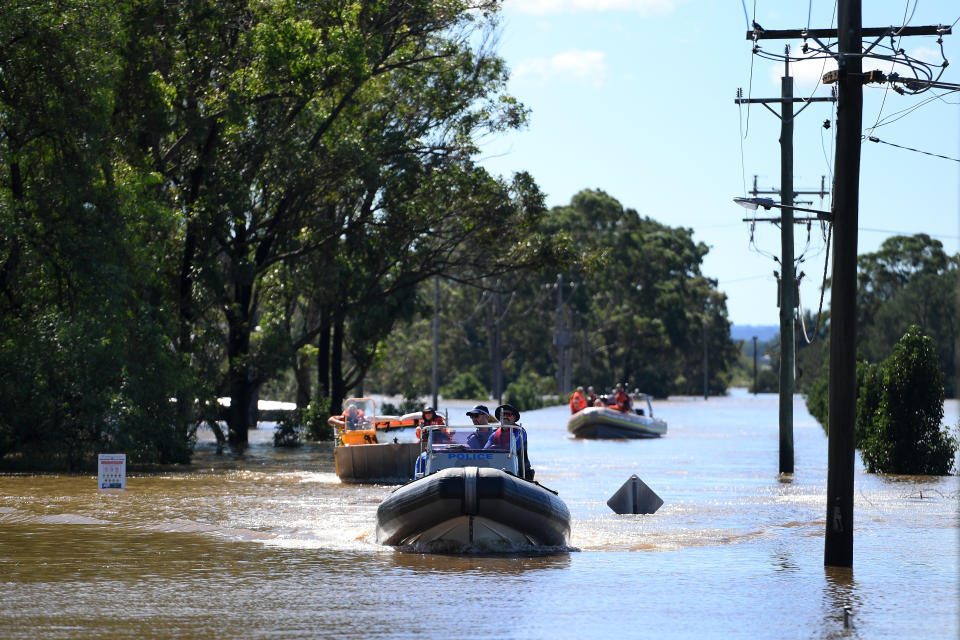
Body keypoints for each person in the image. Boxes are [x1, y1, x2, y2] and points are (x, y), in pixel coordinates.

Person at [485, 403, 534, 480]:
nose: (505, 416)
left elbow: (511, 449)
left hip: (520, 473)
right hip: (498, 470)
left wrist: (495, 448)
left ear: (514, 417)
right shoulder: (494, 434)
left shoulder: (520, 432)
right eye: (502, 414)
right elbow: (484, 451)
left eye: (508, 414)